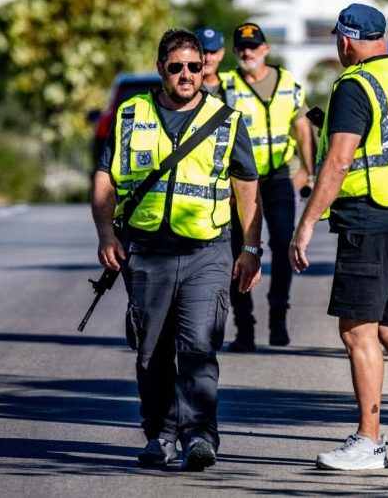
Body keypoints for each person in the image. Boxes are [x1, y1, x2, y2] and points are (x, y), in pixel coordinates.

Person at [91, 28, 264, 471]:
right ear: (161, 69)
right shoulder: (132, 114)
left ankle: (200, 436)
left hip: (207, 251)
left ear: (204, 68)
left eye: (194, 66)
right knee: (152, 352)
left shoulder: (226, 119)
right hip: (146, 252)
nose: (187, 74)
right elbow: (106, 178)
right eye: (177, 67)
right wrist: (106, 234)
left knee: (198, 345)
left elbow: (246, 187)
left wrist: (251, 248)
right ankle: (160, 434)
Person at [289, 3, 388, 471]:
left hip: (374, 220)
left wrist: (306, 224)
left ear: (344, 41)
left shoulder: (354, 85)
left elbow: (338, 161)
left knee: (357, 329)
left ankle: (370, 441)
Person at [218, 22, 316, 351]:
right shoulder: (225, 86)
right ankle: (244, 327)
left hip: (277, 177)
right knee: (241, 251)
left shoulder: (287, 83)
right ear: (235, 52)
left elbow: (303, 129)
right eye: (241, 47)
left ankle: (279, 318)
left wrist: (310, 172)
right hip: (239, 182)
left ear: (265, 50)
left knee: (284, 245)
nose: (247, 52)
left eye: (253, 46)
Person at [196, 27, 226, 95]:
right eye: (203, 51)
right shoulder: (185, 87)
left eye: (213, 52)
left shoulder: (233, 86)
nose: (207, 58)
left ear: (221, 54)